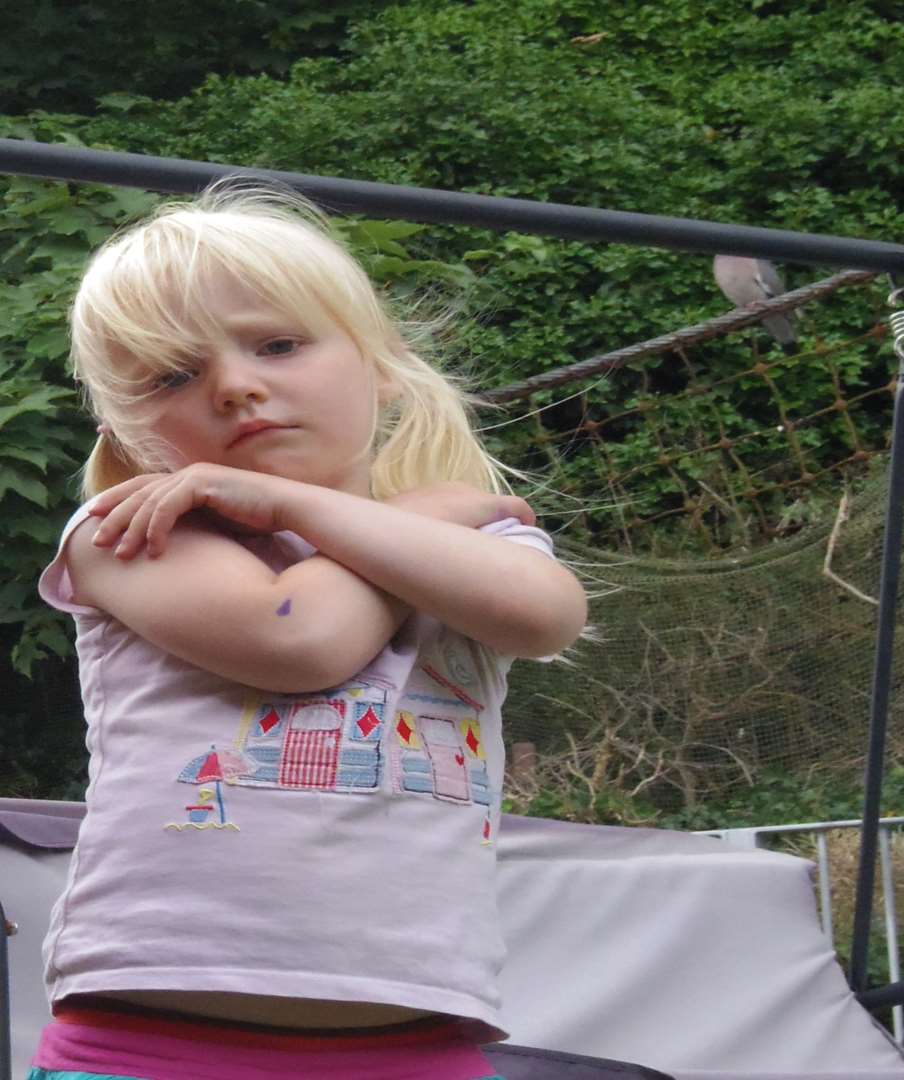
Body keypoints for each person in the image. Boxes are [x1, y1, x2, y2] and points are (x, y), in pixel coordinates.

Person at [30, 183, 587, 1080]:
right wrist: (395, 509)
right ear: (128, 437)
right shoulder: (133, 533)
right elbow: (298, 640)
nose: (237, 385)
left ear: (380, 364)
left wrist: (410, 519)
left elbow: (547, 616)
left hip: (415, 1043)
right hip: (155, 1039)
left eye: (278, 345)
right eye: (173, 376)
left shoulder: (477, 542)